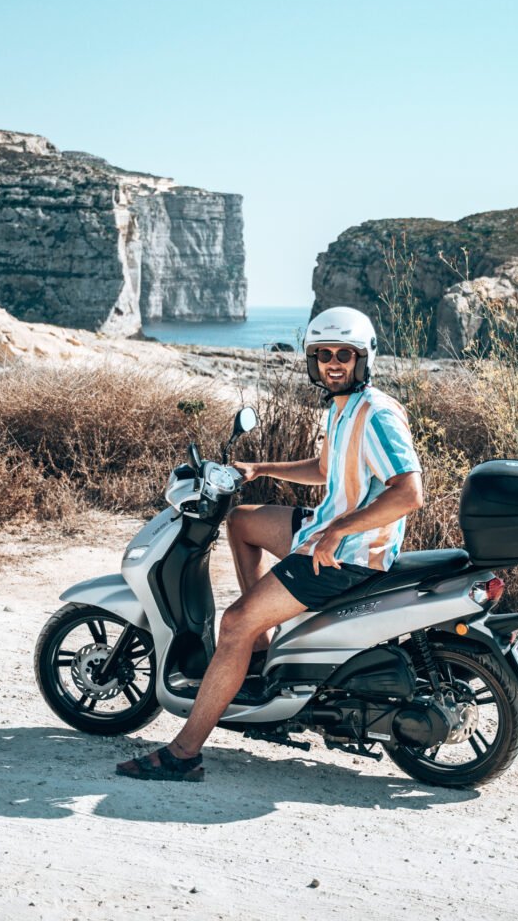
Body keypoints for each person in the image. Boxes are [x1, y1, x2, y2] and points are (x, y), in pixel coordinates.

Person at [116, 306, 423, 781]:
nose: (333, 363)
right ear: (312, 361)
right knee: (241, 521)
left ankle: (184, 753)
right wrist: (261, 469)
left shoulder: (376, 414)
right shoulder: (340, 408)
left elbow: (409, 493)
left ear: (364, 359)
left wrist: (339, 532)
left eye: (344, 354)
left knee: (233, 622)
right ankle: (258, 647)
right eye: (323, 355)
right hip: (326, 528)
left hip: (349, 553)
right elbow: (324, 470)